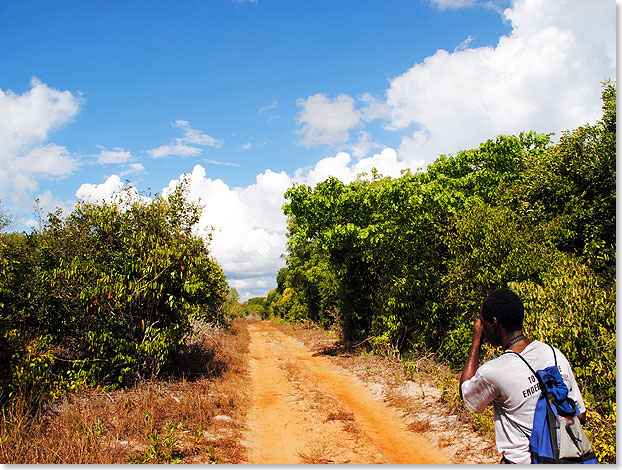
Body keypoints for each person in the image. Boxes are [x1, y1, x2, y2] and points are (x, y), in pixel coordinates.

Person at [459, 288, 587, 464]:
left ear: (494, 323)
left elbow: (466, 392)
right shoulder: (554, 354)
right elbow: (580, 416)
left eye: (484, 323)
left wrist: (476, 342)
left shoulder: (494, 371)